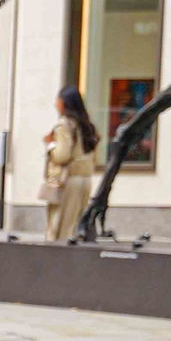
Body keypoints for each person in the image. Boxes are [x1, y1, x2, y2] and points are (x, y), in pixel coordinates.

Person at [43, 86, 99, 241]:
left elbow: (61, 155)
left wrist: (50, 145)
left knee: (61, 228)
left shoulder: (64, 125)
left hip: (67, 181)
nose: (56, 104)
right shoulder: (85, 124)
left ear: (64, 103)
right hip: (84, 180)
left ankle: (58, 262)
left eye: (58, 100)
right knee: (76, 226)